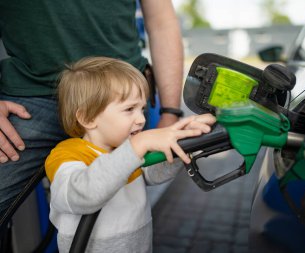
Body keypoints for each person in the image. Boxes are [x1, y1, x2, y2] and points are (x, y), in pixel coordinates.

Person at [0, 0, 184, 217]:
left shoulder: (132, 116)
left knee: (123, 207)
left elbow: (161, 20)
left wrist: (176, 122)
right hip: (28, 97)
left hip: (121, 98)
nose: (142, 121)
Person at [45, 57, 215, 252]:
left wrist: (187, 141)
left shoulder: (126, 149)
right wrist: (138, 144)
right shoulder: (67, 155)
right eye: (129, 109)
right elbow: (83, 195)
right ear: (88, 117)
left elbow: (154, 173)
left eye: (141, 108)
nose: (141, 119)